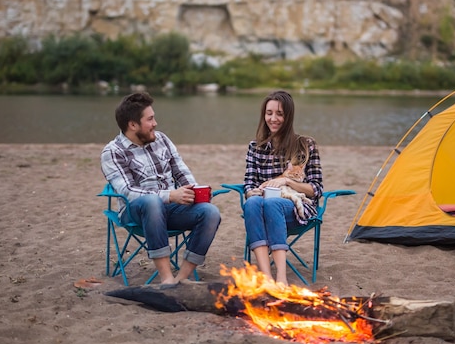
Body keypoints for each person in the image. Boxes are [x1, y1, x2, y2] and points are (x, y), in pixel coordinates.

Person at [100, 92, 221, 285]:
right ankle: (166, 278)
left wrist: (196, 191)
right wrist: (170, 195)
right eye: (150, 119)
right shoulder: (112, 152)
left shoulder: (161, 140)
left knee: (210, 212)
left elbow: (181, 172)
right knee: (152, 201)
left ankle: (181, 279)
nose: (155, 123)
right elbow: (128, 192)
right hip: (135, 212)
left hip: (170, 209)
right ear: (133, 125)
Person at [243, 90, 323, 286]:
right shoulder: (255, 147)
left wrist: (287, 182)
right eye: (269, 113)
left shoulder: (305, 145)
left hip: (296, 209)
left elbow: (316, 189)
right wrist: (252, 191)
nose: (273, 118)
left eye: (279, 113)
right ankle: (267, 277)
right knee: (252, 202)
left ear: (288, 116)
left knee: (273, 204)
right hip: (262, 207)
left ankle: (281, 277)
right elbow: (249, 183)